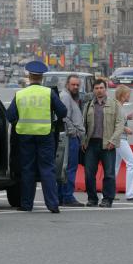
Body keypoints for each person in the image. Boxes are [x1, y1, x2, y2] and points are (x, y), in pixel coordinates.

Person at [6, 61, 67, 213]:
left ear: (29, 76)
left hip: (25, 136)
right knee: (47, 169)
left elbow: (10, 115)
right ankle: (52, 205)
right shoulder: (48, 93)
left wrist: (20, 121)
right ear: (41, 77)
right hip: (45, 135)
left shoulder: (20, 94)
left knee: (28, 170)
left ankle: (27, 205)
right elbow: (63, 112)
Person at [82, 79, 124, 208]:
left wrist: (113, 140)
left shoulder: (115, 104)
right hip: (91, 144)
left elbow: (120, 124)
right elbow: (84, 125)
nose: (99, 90)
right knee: (89, 174)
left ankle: (107, 199)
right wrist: (83, 141)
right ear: (93, 90)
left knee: (109, 174)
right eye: (96, 88)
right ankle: (92, 198)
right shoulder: (88, 105)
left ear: (105, 89)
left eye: (101, 88)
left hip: (107, 144)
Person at [58, 75, 85, 207]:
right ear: (67, 84)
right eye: (73, 85)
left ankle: (62, 196)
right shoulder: (66, 97)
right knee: (69, 168)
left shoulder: (72, 97)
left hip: (72, 137)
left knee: (66, 167)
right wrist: (74, 132)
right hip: (70, 138)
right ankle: (67, 196)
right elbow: (64, 118)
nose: (75, 87)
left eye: (77, 85)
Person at [114, 85, 133, 201]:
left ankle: (108, 192)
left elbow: (118, 119)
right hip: (120, 139)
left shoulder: (118, 106)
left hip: (117, 139)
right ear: (122, 95)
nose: (129, 96)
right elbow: (115, 122)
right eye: (127, 94)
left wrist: (127, 117)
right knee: (132, 164)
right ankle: (130, 193)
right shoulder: (118, 106)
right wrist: (126, 129)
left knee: (114, 167)